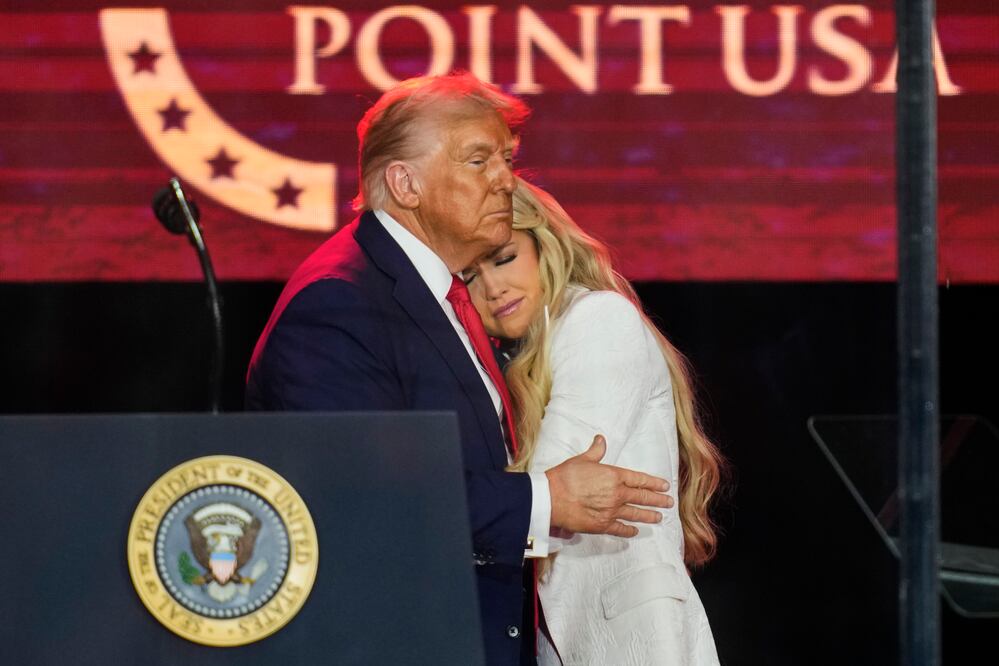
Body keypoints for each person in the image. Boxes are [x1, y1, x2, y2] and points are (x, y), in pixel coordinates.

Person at [245, 73, 674, 666]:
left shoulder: (439, 298)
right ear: (405, 183)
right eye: (479, 160)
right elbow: (361, 496)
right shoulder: (340, 303)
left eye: (506, 159)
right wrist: (542, 501)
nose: (505, 180)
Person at [462, 177, 726, 665]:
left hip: (632, 636)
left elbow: (553, 481)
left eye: (504, 259)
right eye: (470, 277)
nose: (494, 287)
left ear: (545, 247)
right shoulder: (514, 363)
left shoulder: (598, 319)